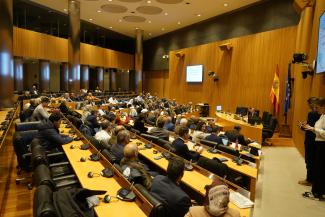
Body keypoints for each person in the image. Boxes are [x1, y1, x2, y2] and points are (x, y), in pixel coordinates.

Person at [303, 98, 325, 201]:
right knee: (318, 168)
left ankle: (317, 193)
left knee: (319, 169)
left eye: (319, 107)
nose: (317, 109)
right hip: (319, 144)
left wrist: (313, 129)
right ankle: (317, 191)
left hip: (323, 145)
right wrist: (312, 128)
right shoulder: (322, 116)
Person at [298, 97, 320, 186]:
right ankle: (313, 179)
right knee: (314, 161)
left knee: (309, 160)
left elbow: (309, 127)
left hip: (310, 141)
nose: (308, 106)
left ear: (312, 104)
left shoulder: (312, 113)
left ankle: (309, 180)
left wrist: (301, 126)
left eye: (309, 104)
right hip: (317, 141)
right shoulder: (321, 114)